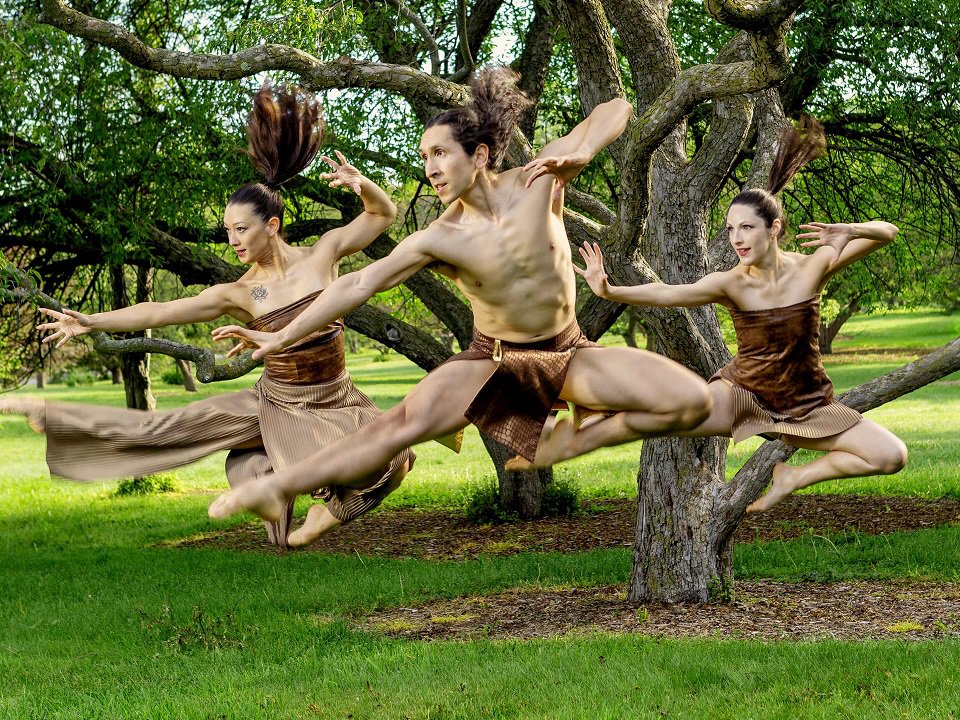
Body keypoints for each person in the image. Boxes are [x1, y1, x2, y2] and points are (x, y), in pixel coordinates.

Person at [206, 66, 713, 524]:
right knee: (395, 430)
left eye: (440, 153)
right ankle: (275, 485)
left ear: (481, 155)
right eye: (424, 157)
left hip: (568, 351)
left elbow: (616, 108)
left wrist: (582, 149)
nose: (429, 167)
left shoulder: (540, 181)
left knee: (691, 401)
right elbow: (359, 283)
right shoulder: (437, 239)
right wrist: (282, 336)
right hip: (490, 360)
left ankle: (567, 444)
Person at [0, 82, 413, 547]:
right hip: (273, 400)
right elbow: (161, 310)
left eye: (242, 229)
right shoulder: (240, 291)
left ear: (272, 226)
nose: (233, 240)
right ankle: (54, 417)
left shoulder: (323, 255)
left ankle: (314, 505)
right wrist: (91, 321)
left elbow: (382, 215)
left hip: (333, 400)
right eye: (227, 230)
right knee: (168, 429)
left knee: (395, 458)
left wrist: (363, 185)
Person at [565, 117, 908, 511]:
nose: (737, 239)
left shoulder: (813, 267)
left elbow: (889, 232)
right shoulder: (730, 283)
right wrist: (610, 289)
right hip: (745, 394)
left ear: (774, 228)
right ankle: (591, 396)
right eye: (730, 230)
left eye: (746, 227)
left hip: (809, 402)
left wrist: (849, 229)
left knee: (891, 455)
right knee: (668, 415)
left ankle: (793, 476)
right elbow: (668, 293)